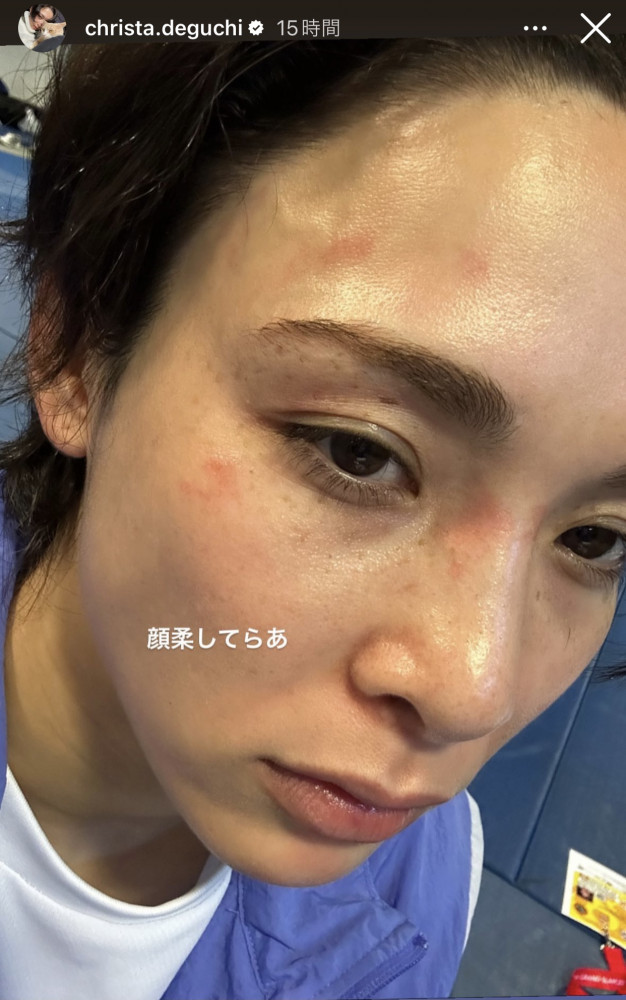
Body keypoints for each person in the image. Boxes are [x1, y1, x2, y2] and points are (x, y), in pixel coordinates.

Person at [0, 36, 625, 1000]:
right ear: (77, 351)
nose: (475, 690)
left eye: (595, 539)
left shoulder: (428, 887)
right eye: (357, 452)